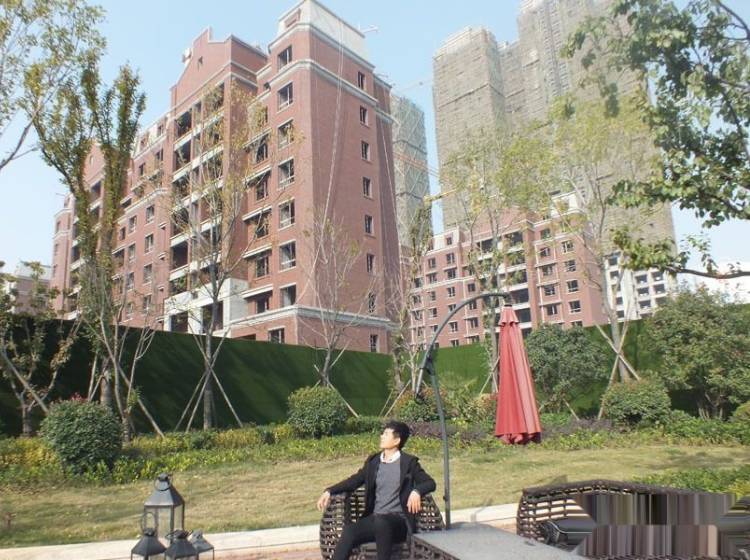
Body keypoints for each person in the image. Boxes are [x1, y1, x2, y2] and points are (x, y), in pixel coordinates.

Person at [316, 420, 436, 560]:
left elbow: (430, 483)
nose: (381, 436)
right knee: (350, 530)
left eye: (386, 434)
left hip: (399, 522)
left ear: (397, 440)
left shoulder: (408, 463)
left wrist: (417, 491)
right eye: (382, 433)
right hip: (376, 519)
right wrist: (330, 491)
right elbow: (354, 481)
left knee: (382, 523)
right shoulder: (374, 462)